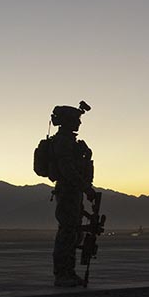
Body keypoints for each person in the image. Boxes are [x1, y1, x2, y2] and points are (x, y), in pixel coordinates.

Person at [48, 101, 97, 287]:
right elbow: (67, 169)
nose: (80, 123)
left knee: (74, 232)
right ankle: (62, 274)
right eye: (77, 119)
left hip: (73, 190)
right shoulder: (63, 142)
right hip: (68, 190)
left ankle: (68, 272)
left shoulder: (69, 142)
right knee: (67, 232)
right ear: (68, 121)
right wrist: (86, 187)